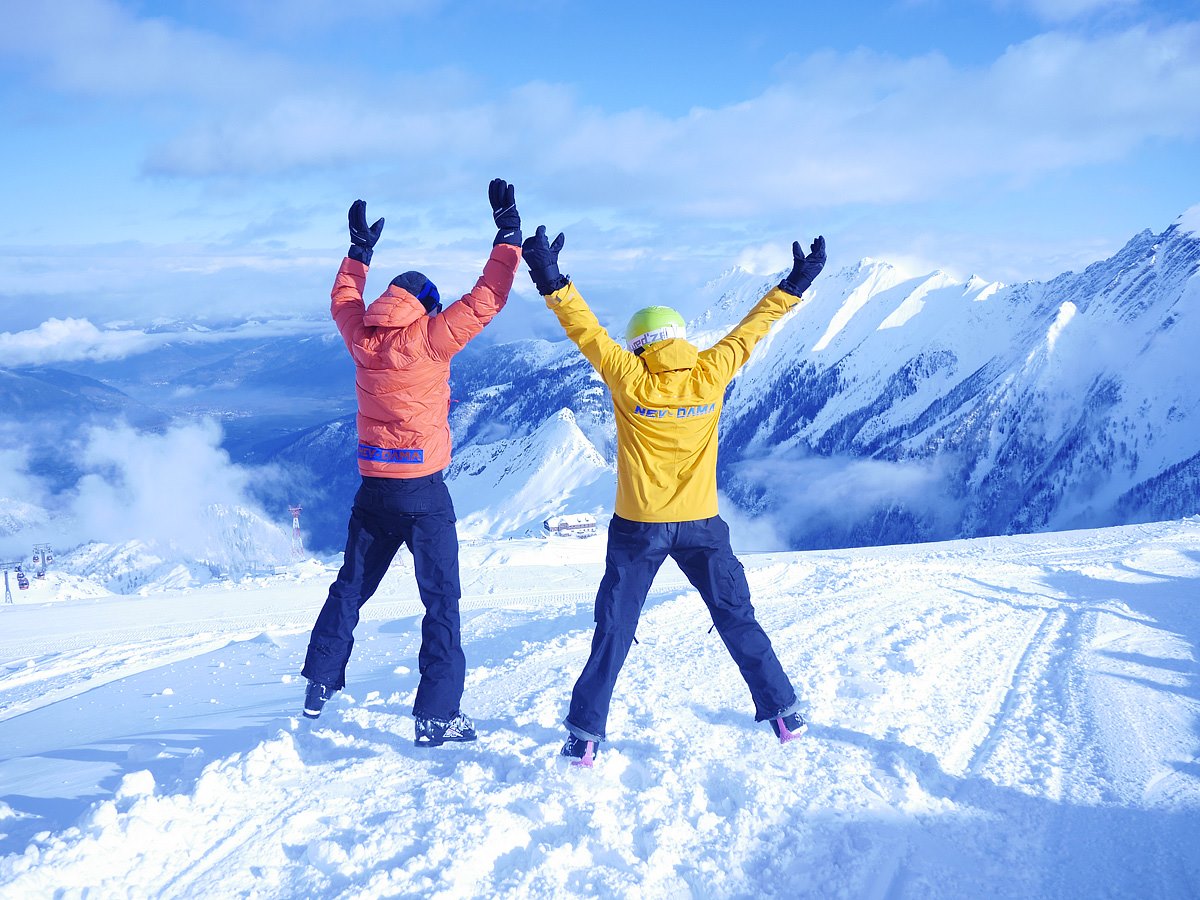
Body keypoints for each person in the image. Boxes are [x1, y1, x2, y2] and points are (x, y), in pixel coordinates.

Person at [521, 224, 827, 767]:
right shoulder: (711, 372)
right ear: (681, 336)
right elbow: (753, 330)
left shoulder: (629, 378)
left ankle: (585, 736)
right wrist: (795, 282)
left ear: (639, 345)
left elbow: (586, 331)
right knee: (736, 615)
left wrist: (551, 277)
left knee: (614, 628)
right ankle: (783, 710)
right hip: (703, 525)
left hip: (638, 526)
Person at [301, 179, 523, 748]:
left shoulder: (361, 338)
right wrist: (507, 235)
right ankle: (436, 715)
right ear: (426, 306)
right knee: (440, 601)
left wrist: (358, 253)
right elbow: (487, 299)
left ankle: (320, 681)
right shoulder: (431, 337)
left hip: (372, 489)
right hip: (423, 493)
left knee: (350, 585)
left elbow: (343, 302)